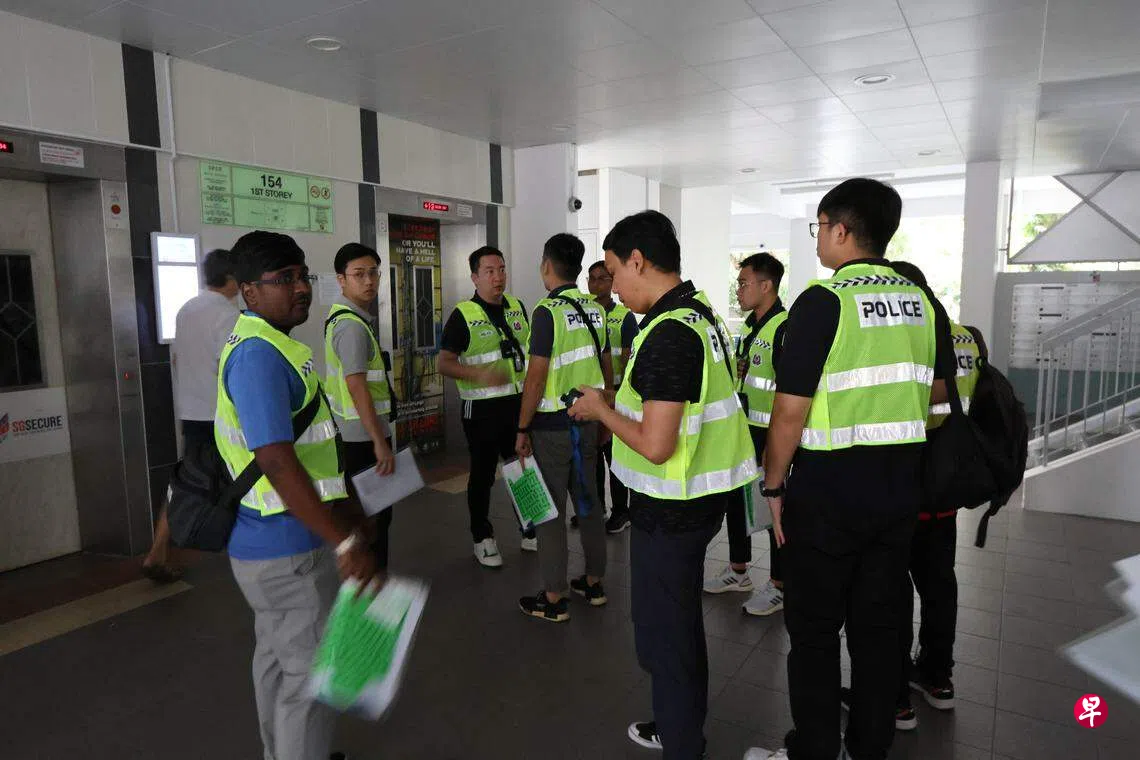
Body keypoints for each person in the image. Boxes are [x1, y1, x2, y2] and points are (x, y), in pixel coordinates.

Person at [744, 179, 949, 760]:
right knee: (879, 632)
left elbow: (789, 413)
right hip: (899, 491)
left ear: (840, 230)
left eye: (819, 227)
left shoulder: (824, 302)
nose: (817, 239)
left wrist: (774, 485)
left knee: (813, 633)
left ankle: (812, 750)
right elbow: (936, 393)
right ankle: (869, 748)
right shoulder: (921, 303)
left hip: (828, 495)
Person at [568, 211, 757, 758]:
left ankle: (681, 742)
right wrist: (609, 401)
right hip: (695, 501)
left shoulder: (669, 334)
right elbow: (668, 409)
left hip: (672, 507)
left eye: (613, 272)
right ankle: (679, 727)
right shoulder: (699, 315)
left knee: (666, 635)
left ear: (637, 261)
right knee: (675, 624)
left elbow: (656, 444)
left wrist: (600, 412)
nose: (612, 287)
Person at [217, 230, 378, 760]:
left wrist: (347, 513)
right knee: (308, 683)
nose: (301, 287)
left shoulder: (273, 345)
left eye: (302, 275)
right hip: (287, 548)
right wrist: (342, 540)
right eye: (283, 279)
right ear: (249, 291)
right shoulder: (259, 356)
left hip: (270, 542)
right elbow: (276, 461)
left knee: (277, 661)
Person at [881, 260, 984, 729]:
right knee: (940, 583)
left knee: (892, 588)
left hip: (905, 480)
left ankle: (896, 696)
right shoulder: (967, 337)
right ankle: (939, 677)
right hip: (949, 482)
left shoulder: (908, 336)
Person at [515, 233, 611, 622]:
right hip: (587, 420)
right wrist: (606, 415)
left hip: (552, 427)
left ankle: (554, 597)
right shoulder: (596, 310)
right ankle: (593, 582)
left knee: (549, 511)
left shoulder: (547, 312)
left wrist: (522, 427)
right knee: (588, 503)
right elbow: (606, 366)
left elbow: (536, 377)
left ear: (546, 265)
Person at [143, 248, 239, 582]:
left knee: (186, 481)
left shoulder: (186, 309)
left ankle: (158, 550)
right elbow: (233, 366)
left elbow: (176, 359)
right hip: (221, 415)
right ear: (232, 277)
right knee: (243, 479)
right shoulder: (228, 316)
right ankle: (244, 549)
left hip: (192, 411)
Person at [438, 246, 537, 567]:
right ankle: (483, 538)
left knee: (521, 467)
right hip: (481, 410)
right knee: (482, 474)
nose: (498, 277)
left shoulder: (517, 307)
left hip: (517, 405)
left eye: (502, 269)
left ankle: (530, 528)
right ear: (475, 277)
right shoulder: (463, 314)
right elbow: (444, 363)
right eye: (490, 271)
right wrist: (479, 374)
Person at [702, 253, 788, 618]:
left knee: (772, 507)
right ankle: (738, 570)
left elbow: (789, 394)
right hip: (743, 431)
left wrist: (776, 446)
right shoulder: (751, 327)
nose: (738, 290)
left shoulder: (784, 328)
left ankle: (780, 585)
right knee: (737, 500)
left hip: (770, 435)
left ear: (766, 285)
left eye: (743, 283)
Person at [324, 242, 397, 571]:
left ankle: (369, 581)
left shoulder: (348, 318)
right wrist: (379, 441)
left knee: (370, 519)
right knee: (373, 521)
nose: (369, 281)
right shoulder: (351, 326)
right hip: (362, 441)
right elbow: (357, 386)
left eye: (373, 273)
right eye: (359, 274)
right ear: (341, 280)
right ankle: (371, 585)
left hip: (356, 435)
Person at [587, 260, 638, 534]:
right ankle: (597, 508)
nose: (595, 284)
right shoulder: (583, 314)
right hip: (592, 397)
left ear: (612, 282)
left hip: (615, 397)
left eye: (602, 278)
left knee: (614, 458)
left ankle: (621, 511)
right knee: (593, 457)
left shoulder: (624, 317)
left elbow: (631, 359)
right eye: (591, 278)